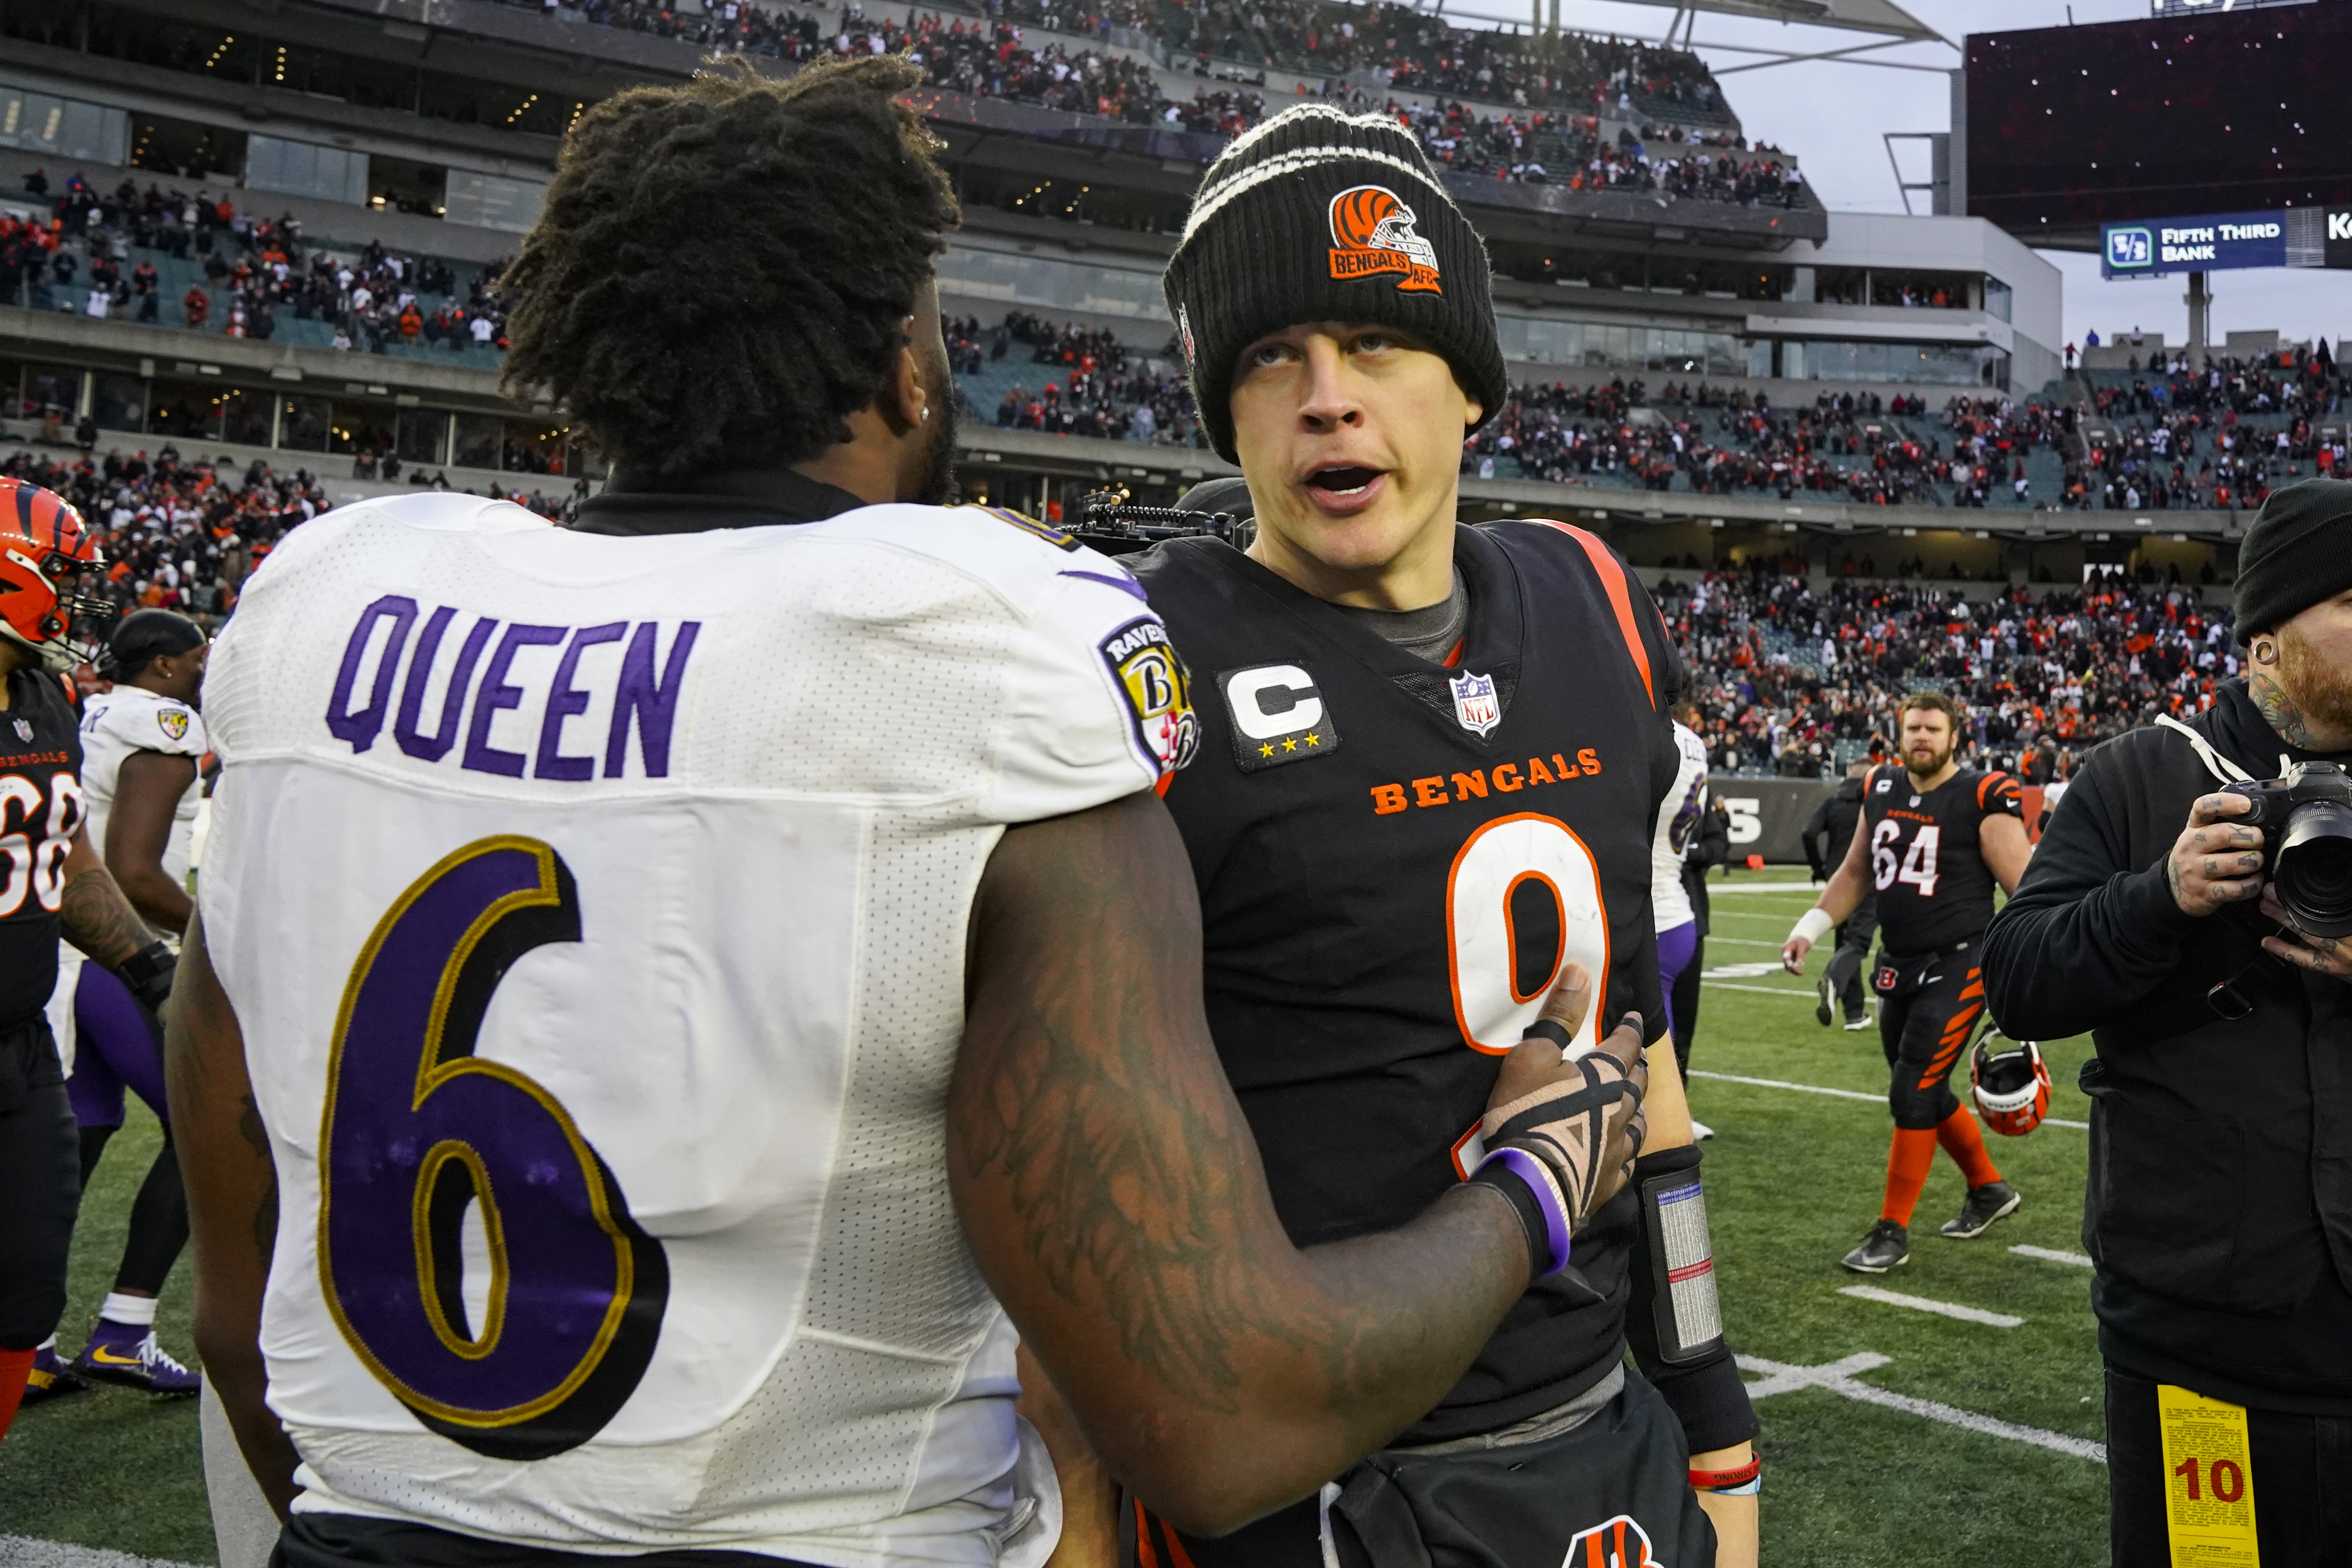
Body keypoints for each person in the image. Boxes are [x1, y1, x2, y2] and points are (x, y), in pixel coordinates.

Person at [167, 61, 1645, 1568]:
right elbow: (1221, 1419)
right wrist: (1539, 1175)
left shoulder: (315, 614)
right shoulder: (975, 653)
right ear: (905, 375)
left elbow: (235, 1320)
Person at [1116, 105, 1758, 1568]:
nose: (1328, 398)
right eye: (1272, 353)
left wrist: (1712, 1406)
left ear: (1470, 386)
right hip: (1308, 1454)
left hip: (1595, 1424)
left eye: (1378, 344)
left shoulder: (1590, 590)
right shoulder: (1139, 651)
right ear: (1222, 409)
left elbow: (1638, 1068)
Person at [1982, 479, 2352, 1567]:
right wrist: (2161, 894)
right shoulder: (2147, 773)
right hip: (2199, 1347)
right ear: (2267, 639)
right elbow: (2018, 976)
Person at [0, 477, 181, 1443]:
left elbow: (63, 854)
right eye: (64, 577)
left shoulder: (43, 693)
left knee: (22, 1305)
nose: (81, 602)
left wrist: (154, 971)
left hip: (24, 1038)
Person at [1779, 692, 2032, 1273]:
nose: (1921, 736)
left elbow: (2025, 887)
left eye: (1932, 729)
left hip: (1963, 960)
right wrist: (1809, 929)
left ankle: (1891, 1232)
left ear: (1954, 736)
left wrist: (2029, 971)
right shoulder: (1881, 786)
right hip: (1899, 962)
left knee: (1911, 1090)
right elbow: (1856, 872)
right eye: (1912, 727)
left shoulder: (1982, 794)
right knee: (1922, 1086)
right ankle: (1989, 1189)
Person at [27, 610, 210, 1404]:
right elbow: (134, 872)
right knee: (205, 1130)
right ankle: (126, 1330)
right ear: (165, 666)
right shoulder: (163, 721)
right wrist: (216, 931)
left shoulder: (91, 706)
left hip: (63, 960)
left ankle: (31, 1342)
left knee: (80, 1138)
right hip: (114, 956)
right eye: (197, 658)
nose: (205, 670)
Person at [1653, 712, 1713, 1137]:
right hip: (1676, 907)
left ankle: (1668, 1129)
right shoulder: (1696, 742)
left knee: (1653, 1040)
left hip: (1652, 910)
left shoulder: (1648, 730)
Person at [1798, 761, 1877, 1031]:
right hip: (1870, 879)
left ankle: (1854, 1013)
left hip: (1838, 881)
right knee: (1859, 942)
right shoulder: (1876, 801)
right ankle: (1836, 980)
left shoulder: (1834, 801)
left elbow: (1809, 833)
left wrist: (1819, 868)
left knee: (1846, 943)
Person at [1673, 787, 1730, 1083]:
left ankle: (1677, 1106)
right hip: (1640, 917)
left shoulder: (1693, 793)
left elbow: (1719, 842)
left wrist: (1694, 853)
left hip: (1687, 914)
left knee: (1683, 1018)